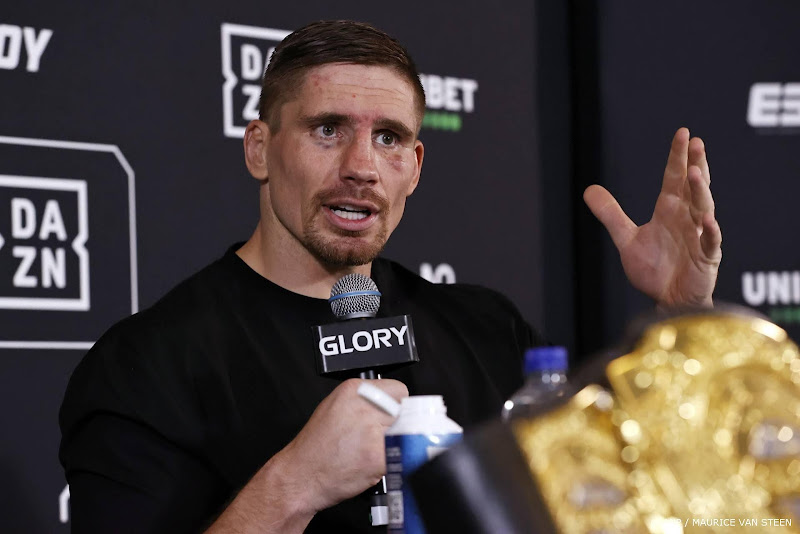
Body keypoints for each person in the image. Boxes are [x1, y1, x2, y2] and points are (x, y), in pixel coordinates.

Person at [59, 20, 722, 533]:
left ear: (416, 166)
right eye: (328, 129)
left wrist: (684, 319)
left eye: (389, 138)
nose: (361, 166)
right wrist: (296, 484)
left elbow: (636, 501)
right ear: (260, 149)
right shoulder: (147, 363)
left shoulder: (489, 331)